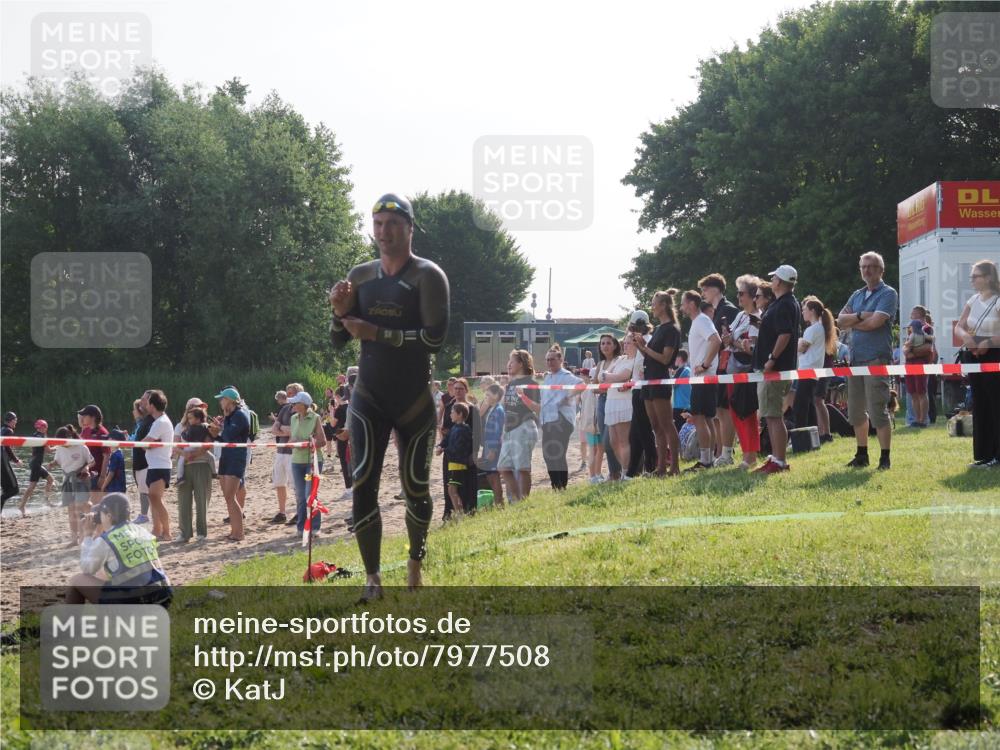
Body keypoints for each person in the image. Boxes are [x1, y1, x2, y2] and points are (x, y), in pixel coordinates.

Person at [329, 193, 449, 599]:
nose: (384, 232)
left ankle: (415, 559)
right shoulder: (360, 276)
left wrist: (377, 333)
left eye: (393, 225)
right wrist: (337, 312)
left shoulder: (428, 276)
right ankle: (372, 578)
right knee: (363, 483)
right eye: (378, 224)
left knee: (415, 485)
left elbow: (435, 339)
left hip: (414, 398)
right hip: (369, 396)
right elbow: (337, 339)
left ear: (410, 229)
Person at [837, 251, 898, 471]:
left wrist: (855, 320)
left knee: (877, 410)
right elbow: (840, 320)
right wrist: (863, 315)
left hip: (876, 359)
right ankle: (862, 454)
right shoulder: (857, 294)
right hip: (856, 360)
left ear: (881, 270)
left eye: (871, 266)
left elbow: (876, 323)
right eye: (863, 266)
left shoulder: (888, 293)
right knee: (854, 412)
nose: (867, 270)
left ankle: (885, 458)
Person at [67, 492, 171, 606]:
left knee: (77, 580)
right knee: (104, 574)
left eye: (100, 514)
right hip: (163, 598)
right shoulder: (141, 531)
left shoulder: (106, 540)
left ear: (108, 516)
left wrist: (87, 535)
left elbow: (87, 569)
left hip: (138, 602)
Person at [753, 265, 801, 474]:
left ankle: (779, 461)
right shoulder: (787, 303)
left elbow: (784, 335)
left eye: (773, 279)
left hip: (776, 369)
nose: (771, 282)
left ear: (779, 282)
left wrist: (771, 359)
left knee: (773, 416)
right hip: (778, 368)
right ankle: (777, 457)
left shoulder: (783, 305)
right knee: (772, 415)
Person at [954, 259, 1000, 468]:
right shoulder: (973, 300)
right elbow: (960, 325)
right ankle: (983, 454)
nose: (972, 280)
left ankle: (998, 456)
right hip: (974, 355)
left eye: (976, 276)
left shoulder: (998, 300)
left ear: (988, 278)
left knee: (996, 404)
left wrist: (988, 342)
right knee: (980, 403)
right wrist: (967, 338)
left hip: (995, 355)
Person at [633, 290, 682, 476]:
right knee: (656, 426)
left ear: (663, 305)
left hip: (660, 381)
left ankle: (675, 467)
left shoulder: (671, 329)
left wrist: (645, 348)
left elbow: (665, 359)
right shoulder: (660, 329)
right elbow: (652, 357)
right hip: (649, 382)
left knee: (667, 424)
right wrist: (641, 347)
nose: (652, 306)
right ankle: (661, 468)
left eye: (654, 303)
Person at [721, 275, 762, 470]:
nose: (738, 297)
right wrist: (728, 338)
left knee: (747, 413)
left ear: (754, 296)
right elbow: (731, 338)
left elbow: (752, 349)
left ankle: (750, 456)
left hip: (746, 371)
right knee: (736, 413)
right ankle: (746, 454)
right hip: (733, 370)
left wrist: (733, 342)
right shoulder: (740, 316)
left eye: (742, 293)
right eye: (737, 293)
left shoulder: (756, 318)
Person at [699, 274, 740, 463]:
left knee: (725, 411)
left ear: (715, 289)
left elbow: (731, 340)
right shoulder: (717, 311)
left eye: (705, 289)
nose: (703, 294)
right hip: (719, 367)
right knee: (720, 411)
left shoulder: (728, 310)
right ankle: (722, 452)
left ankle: (727, 452)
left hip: (728, 366)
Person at [680, 291, 722, 471]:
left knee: (699, 417)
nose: (681, 307)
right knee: (707, 417)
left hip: (703, 377)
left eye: (682, 303)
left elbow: (716, 340)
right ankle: (709, 459)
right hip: (704, 377)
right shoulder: (699, 321)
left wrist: (704, 365)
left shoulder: (701, 320)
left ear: (690, 303)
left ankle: (706, 460)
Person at [208, 386, 251, 541]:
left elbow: (229, 434)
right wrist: (213, 434)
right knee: (227, 497)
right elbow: (223, 440)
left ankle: (239, 533)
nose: (220, 401)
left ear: (230, 400)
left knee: (231, 497)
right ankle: (234, 531)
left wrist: (219, 428)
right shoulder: (229, 415)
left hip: (236, 458)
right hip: (226, 456)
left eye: (222, 399)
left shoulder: (239, 415)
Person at [498, 349, 540, 503]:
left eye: (512, 361)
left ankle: (523, 501)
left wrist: (523, 397)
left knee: (522, 468)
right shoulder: (511, 384)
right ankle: (516, 500)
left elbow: (538, 408)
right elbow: (506, 407)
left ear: (521, 363)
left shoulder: (531, 383)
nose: (508, 364)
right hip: (509, 429)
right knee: (503, 467)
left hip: (524, 427)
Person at [540, 345, 582, 490]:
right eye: (547, 360)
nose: (549, 362)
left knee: (557, 453)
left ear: (560, 360)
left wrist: (569, 396)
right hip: (547, 418)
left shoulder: (566, 376)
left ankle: (561, 485)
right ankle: (555, 485)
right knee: (547, 454)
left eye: (552, 359)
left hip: (561, 418)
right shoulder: (548, 377)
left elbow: (581, 384)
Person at [793, 296, 836, 435]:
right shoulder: (818, 328)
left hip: (807, 370)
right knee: (809, 405)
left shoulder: (813, 329)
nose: (803, 312)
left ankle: (800, 435)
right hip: (812, 371)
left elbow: (802, 347)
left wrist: (798, 342)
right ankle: (813, 435)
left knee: (800, 406)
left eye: (804, 309)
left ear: (811, 311)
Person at [287, 391, 327, 537]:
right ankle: (301, 527)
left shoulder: (315, 418)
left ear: (303, 405)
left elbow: (322, 441)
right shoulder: (293, 418)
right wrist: (292, 443)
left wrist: (309, 444)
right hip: (297, 461)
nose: (293, 405)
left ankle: (315, 527)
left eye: (295, 402)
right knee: (300, 496)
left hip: (312, 462)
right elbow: (293, 438)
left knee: (310, 495)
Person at [48, 425, 93, 546]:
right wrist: (52, 464)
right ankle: (74, 539)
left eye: (62, 442)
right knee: (71, 510)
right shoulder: (60, 448)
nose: (61, 444)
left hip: (80, 480)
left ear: (69, 437)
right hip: (67, 480)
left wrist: (86, 468)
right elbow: (58, 460)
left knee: (81, 508)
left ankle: (85, 537)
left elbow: (92, 461)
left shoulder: (81, 446)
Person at [600, 336, 638, 478]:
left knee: (623, 441)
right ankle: (625, 469)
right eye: (625, 343)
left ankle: (626, 473)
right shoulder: (621, 359)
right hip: (611, 401)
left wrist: (608, 376)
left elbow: (622, 376)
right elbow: (603, 376)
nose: (626, 345)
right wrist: (608, 376)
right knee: (612, 442)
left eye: (629, 343)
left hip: (623, 402)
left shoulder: (635, 360)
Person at [625, 311, 657, 478]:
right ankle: (632, 471)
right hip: (637, 387)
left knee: (643, 431)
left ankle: (651, 466)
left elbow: (648, 360)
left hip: (643, 388)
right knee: (635, 434)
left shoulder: (648, 340)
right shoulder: (639, 340)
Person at [140, 390, 173, 541]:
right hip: (155, 464)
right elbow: (147, 444)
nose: (145, 405)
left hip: (161, 465)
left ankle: (167, 532)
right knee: (154, 499)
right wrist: (150, 444)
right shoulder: (159, 422)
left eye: (147, 403)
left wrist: (149, 444)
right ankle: (157, 530)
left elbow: (143, 444)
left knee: (155, 498)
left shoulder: (160, 422)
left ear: (152, 405)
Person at [176, 408, 213, 542]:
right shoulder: (180, 428)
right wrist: (185, 454)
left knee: (201, 500)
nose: (189, 417)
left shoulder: (206, 427)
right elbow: (175, 446)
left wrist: (194, 455)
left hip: (202, 465)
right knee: (183, 501)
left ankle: (202, 533)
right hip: (185, 466)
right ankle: (184, 533)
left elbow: (208, 444)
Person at [594, 334, 624, 480]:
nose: (605, 346)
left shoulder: (619, 361)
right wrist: (603, 388)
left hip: (615, 401)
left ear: (614, 345)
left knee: (609, 440)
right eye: (602, 343)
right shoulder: (600, 364)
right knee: (605, 442)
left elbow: (618, 382)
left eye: (608, 343)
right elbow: (594, 386)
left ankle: (620, 470)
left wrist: (604, 387)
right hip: (601, 402)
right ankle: (614, 472)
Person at [902, 305, 934, 428]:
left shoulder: (927, 328)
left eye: (913, 313)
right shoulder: (911, 328)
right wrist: (906, 351)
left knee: (921, 391)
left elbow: (928, 347)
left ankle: (923, 420)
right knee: (913, 392)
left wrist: (912, 352)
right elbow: (906, 345)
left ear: (919, 314)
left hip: (921, 362)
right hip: (909, 363)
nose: (911, 315)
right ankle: (916, 419)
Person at [439, 402, 473, 520]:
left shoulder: (463, 430)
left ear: (460, 414)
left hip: (458, 464)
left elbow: (458, 448)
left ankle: (460, 515)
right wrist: (440, 445)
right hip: (453, 464)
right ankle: (460, 513)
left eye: (452, 412)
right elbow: (447, 439)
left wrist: (444, 450)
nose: (450, 415)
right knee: (452, 490)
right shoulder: (455, 428)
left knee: (453, 490)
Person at [18, 419, 56, 515]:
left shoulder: (34, 435)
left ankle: (47, 502)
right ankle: (22, 506)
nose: (46, 429)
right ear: (43, 427)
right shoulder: (42, 437)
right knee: (32, 486)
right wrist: (59, 446)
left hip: (35, 463)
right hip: (36, 464)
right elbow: (49, 450)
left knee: (50, 480)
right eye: (46, 427)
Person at [76, 405, 110, 507]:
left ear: (93, 417)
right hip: (85, 473)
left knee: (96, 506)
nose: (82, 418)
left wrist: (103, 477)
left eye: (84, 415)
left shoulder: (103, 433)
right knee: (83, 504)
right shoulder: (85, 430)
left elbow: (107, 456)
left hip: (97, 475)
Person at [478, 383, 506, 507]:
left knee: (494, 476)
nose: (486, 397)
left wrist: (493, 450)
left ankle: (500, 503)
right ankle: (497, 502)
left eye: (488, 394)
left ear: (496, 395)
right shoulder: (492, 409)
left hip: (493, 447)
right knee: (489, 475)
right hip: (488, 445)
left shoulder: (498, 410)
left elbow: (497, 431)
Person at [270, 389, 293, 524]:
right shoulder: (284, 409)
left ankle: (298, 513)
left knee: (296, 484)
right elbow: (274, 430)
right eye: (288, 393)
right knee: (279, 482)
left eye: (292, 393)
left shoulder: (302, 411)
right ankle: (282, 512)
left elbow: (296, 431)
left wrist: (282, 429)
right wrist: (286, 430)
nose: (289, 396)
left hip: (293, 452)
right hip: (281, 450)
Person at [130, 396, 154, 525]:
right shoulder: (139, 424)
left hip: (144, 461)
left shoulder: (145, 424)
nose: (133, 412)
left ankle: (145, 515)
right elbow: (134, 441)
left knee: (145, 490)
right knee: (142, 489)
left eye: (134, 409)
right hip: (138, 460)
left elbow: (141, 442)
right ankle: (144, 514)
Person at [330, 386, 353, 500]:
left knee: (344, 463)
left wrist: (331, 410)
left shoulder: (339, 409)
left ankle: (349, 489)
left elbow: (333, 423)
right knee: (351, 462)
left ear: (338, 397)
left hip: (342, 436)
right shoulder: (351, 406)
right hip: (352, 437)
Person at [99, 429, 128, 495]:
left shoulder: (115, 455)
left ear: (114, 440)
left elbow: (111, 473)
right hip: (120, 487)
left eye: (109, 438)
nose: (107, 440)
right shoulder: (119, 453)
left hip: (115, 488)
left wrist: (103, 486)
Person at [0, 412, 18, 510]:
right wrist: (16, 460)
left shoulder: (1, 429)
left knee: (5, 489)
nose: (16, 422)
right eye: (15, 420)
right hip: (2, 463)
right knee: (14, 490)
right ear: (11, 420)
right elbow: (7, 448)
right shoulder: (9, 430)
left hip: (2, 461)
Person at [671, 351, 691, 432]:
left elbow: (673, 384)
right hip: (685, 405)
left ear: (679, 358)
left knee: (679, 431)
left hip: (680, 406)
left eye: (675, 357)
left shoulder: (683, 369)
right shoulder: (687, 370)